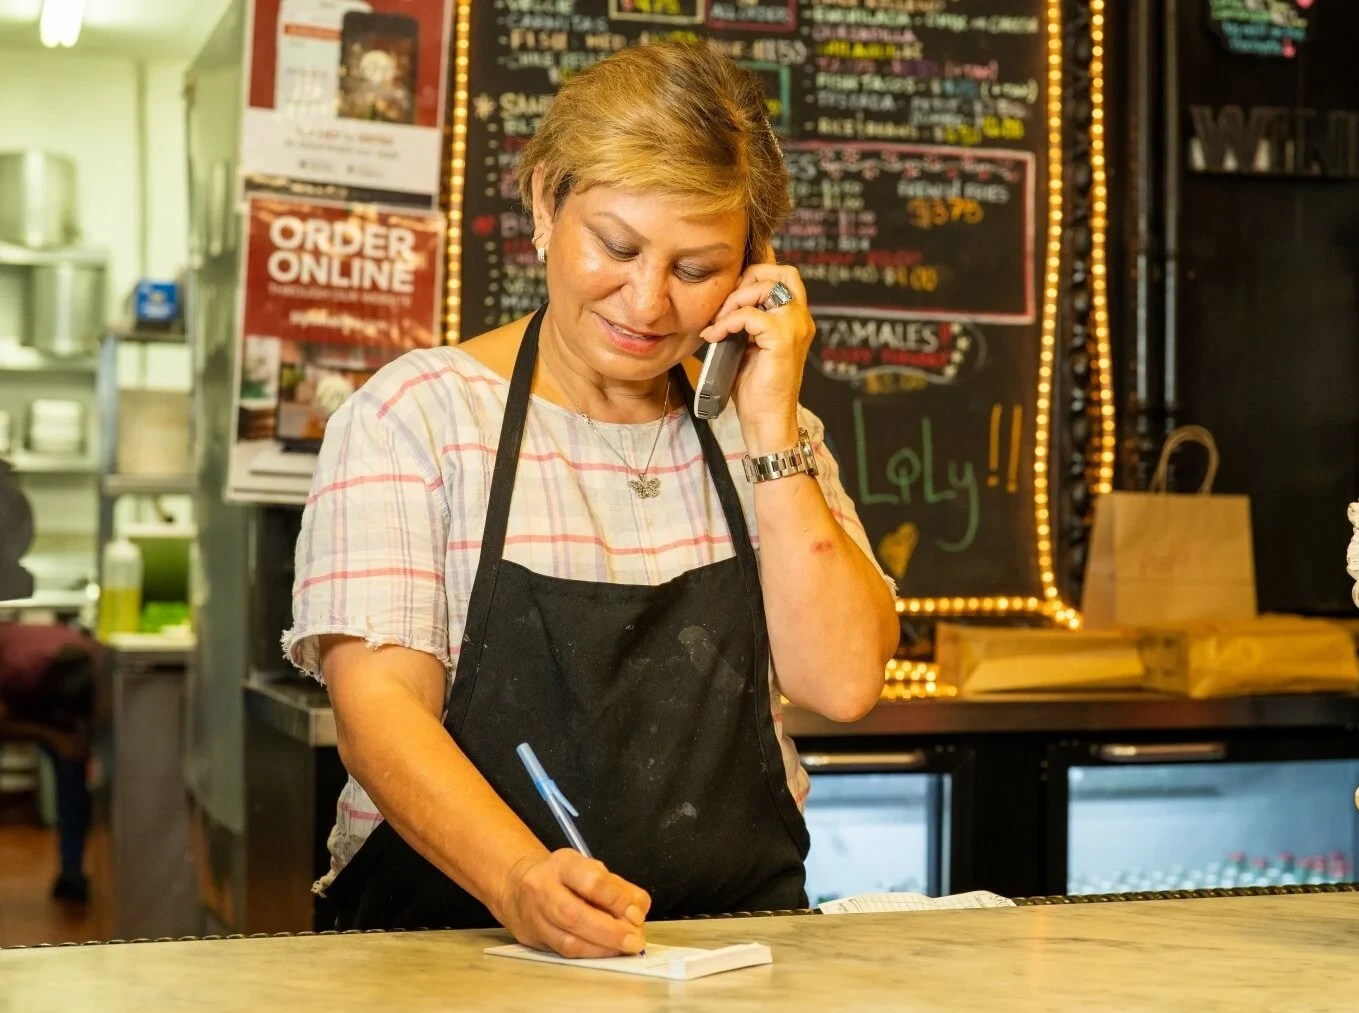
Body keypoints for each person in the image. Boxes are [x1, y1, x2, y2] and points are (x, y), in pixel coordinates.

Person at [283, 40, 899, 957]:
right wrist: (517, 878)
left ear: (753, 269)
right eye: (617, 246)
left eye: (697, 269)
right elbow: (381, 718)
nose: (646, 303)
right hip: (451, 949)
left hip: (731, 954)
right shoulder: (414, 419)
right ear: (545, 202)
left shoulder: (772, 431)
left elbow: (843, 683)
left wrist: (769, 425)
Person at [0, 460, 100, 904]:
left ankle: (73, 871)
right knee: (65, 752)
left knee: (71, 765)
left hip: (53, 692)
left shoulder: (83, 658)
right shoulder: (19, 662)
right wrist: (50, 735)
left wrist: (73, 739)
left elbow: (85, 718)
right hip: (18, 690)